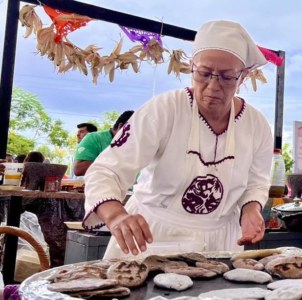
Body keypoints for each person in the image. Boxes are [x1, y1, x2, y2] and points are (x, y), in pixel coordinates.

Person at [82, 20, 273, 259]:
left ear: (243, 77)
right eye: (204, 74)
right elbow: (106, 170)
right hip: (152, 236)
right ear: (192, 67)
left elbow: (257, 182)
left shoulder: (257, 125)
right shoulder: (164, 109)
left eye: (226, 77)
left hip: (222, 241)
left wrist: (250, 209)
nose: (213, 86)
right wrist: (116, 215)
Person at [73, 111, 134, 176]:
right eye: (134, 132)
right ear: (122, 127)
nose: (135, 137)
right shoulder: (94, 138)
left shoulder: (134, 145)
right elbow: (78, 170)